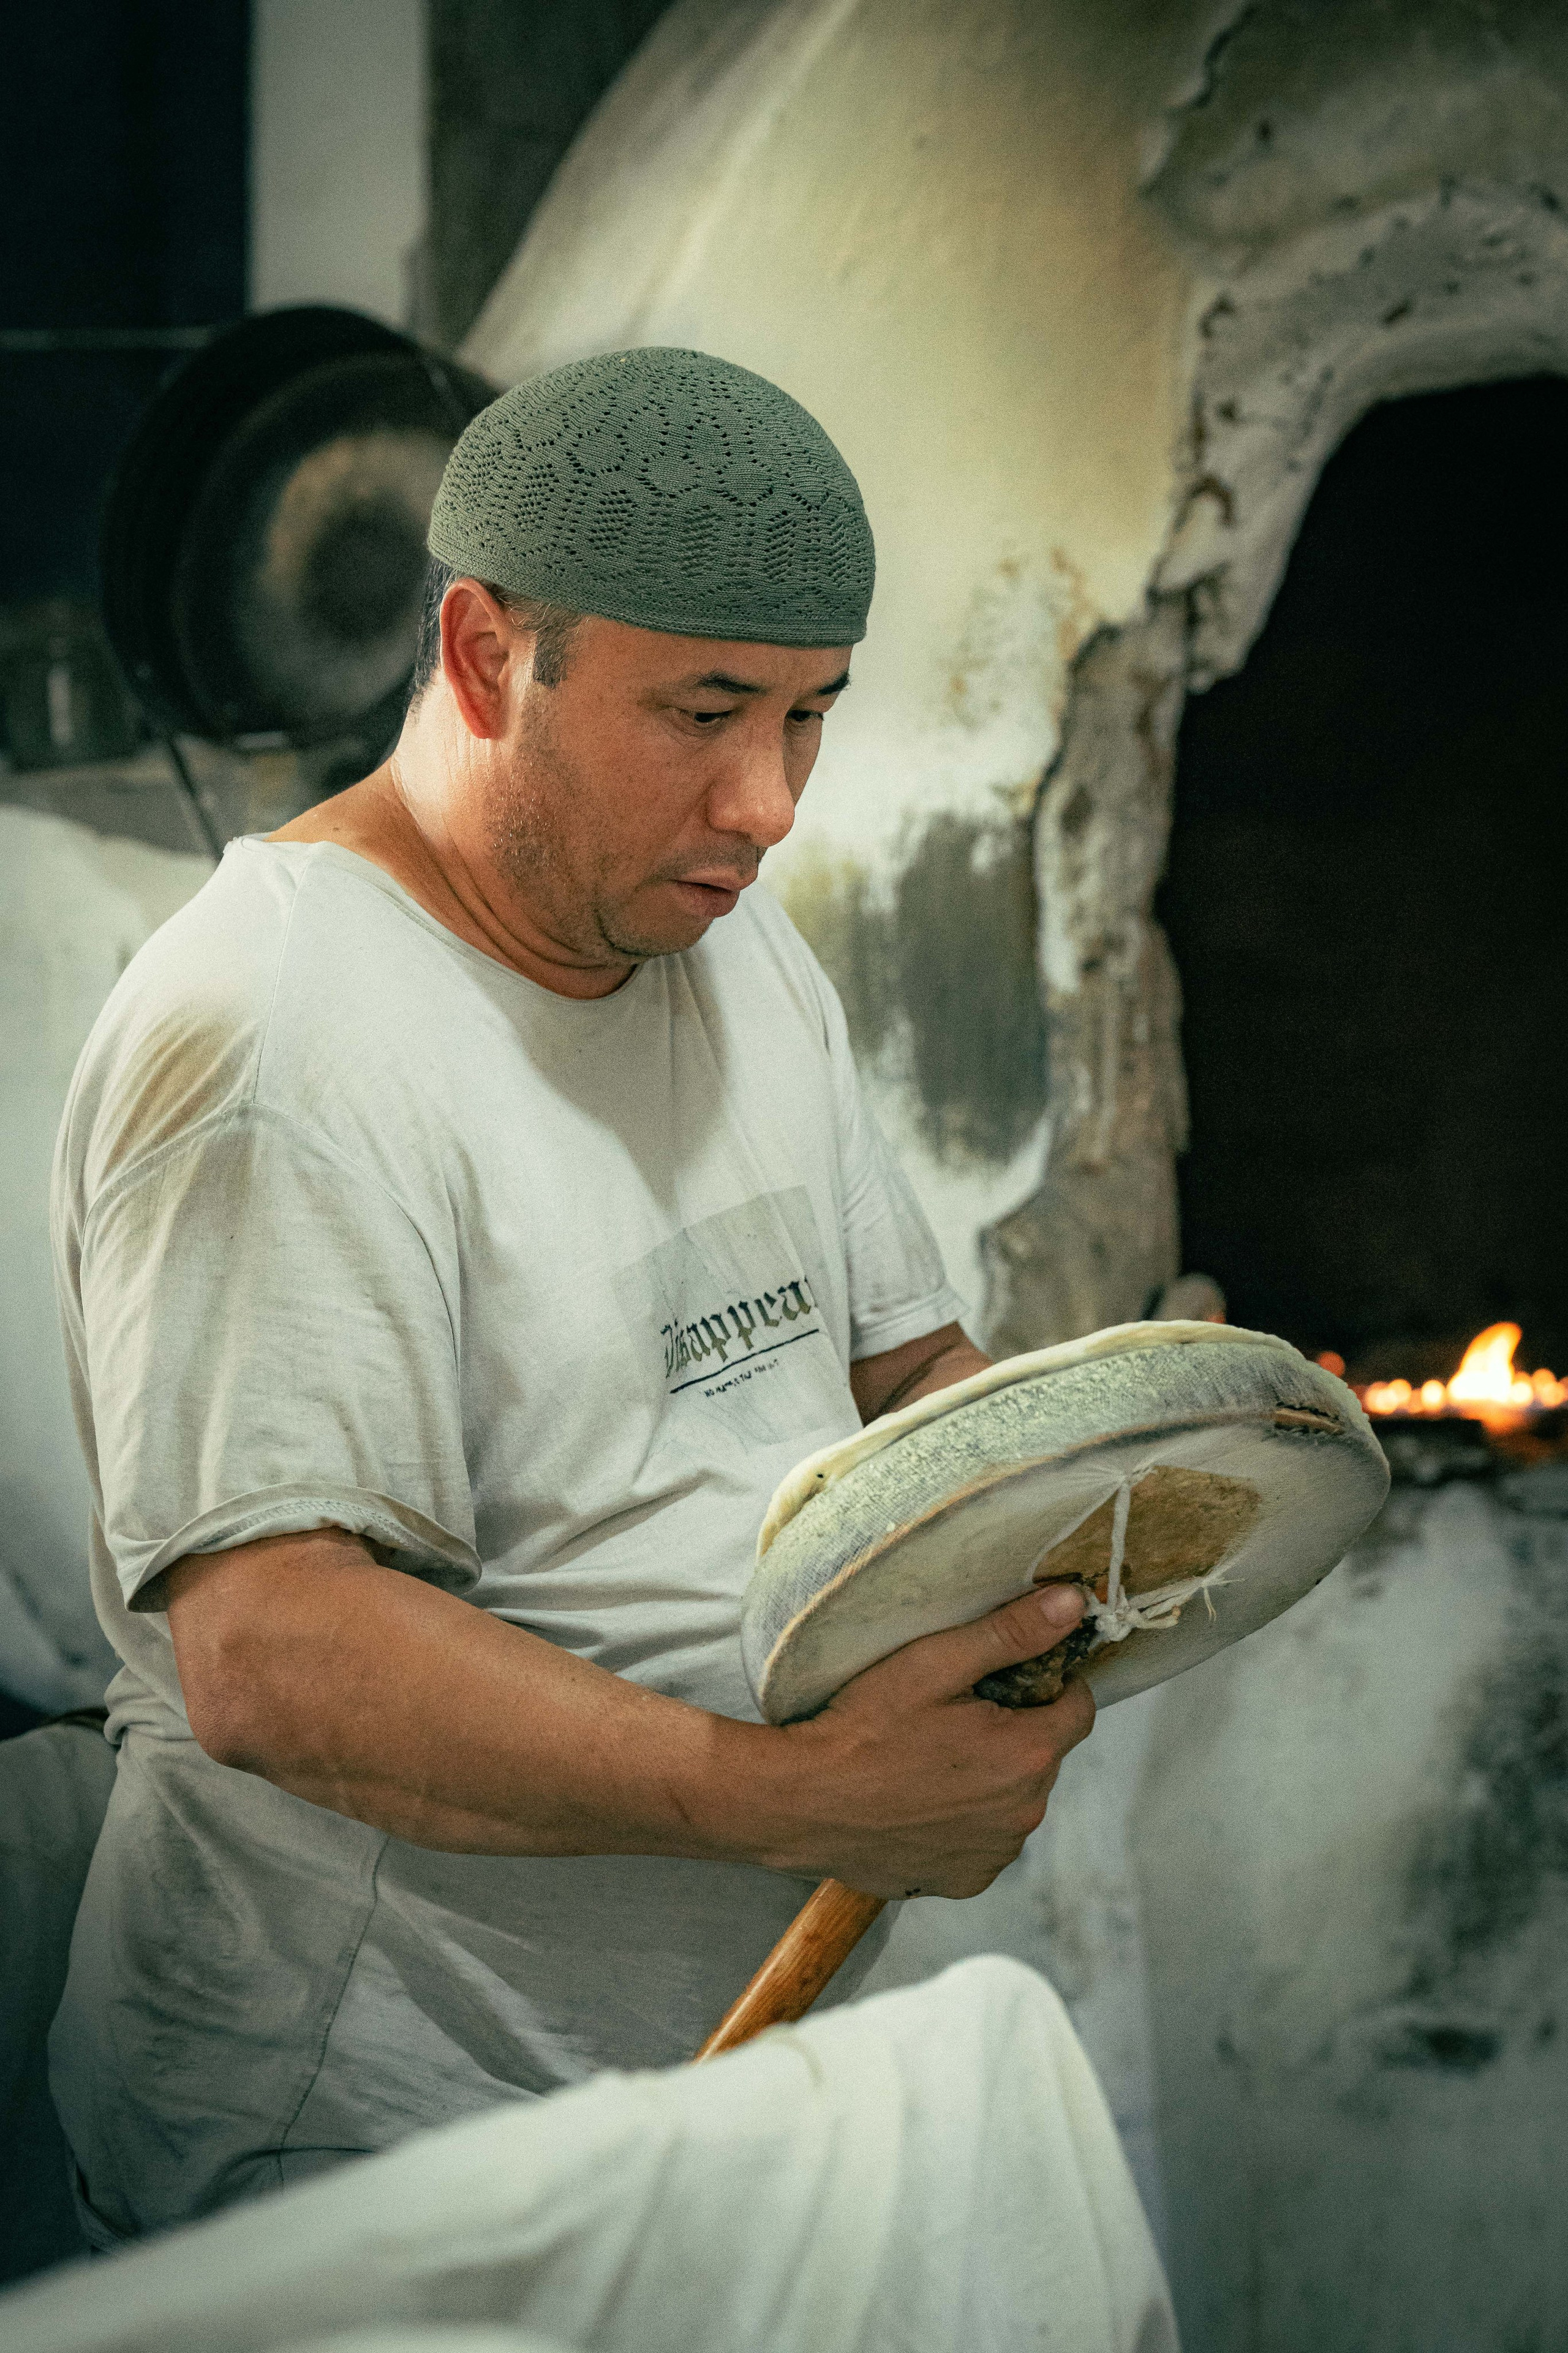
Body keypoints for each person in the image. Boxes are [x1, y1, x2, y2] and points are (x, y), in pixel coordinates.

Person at [49, 349, 1095, 2243]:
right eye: (704, 710)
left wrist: (1099, 1515)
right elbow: (273, 1652)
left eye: (807, 716)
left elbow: (900, 1364)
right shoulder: (281, 1039)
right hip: (375, 2148)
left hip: (691, 2092)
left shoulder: (736, 949)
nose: (769, 802)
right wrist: (801, 1797)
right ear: (476, 653)